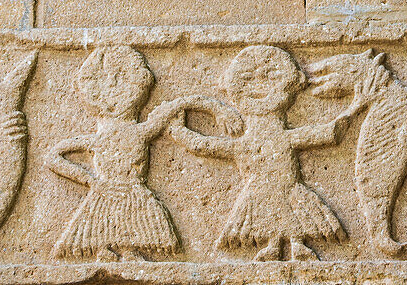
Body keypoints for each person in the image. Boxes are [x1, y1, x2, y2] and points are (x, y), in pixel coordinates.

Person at [169, 44, 366, 261]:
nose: (260, 83)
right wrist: (179, 131)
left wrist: (356, 106)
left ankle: (297, 245)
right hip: (261, 190)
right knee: (269, 215)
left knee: (289, 213)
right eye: (248, 78)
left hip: (287, 186)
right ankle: (274, 246)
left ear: (293, 85)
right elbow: (206, 145)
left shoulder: (283, 137)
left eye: (272, 76)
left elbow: (329, 133)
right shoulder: (247, 144)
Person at [48, 45, 204, 261]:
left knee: (132, 221)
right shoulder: (110, 138)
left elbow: (179, 105)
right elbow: (53, 157)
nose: (113, 86)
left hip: (130, 188)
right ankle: (106, 251)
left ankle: (129, 251)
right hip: (107, 189)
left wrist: (217, 112)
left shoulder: (140, 132)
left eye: (121, 80)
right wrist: (90, 181)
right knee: (106, 223)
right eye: (105, 82)